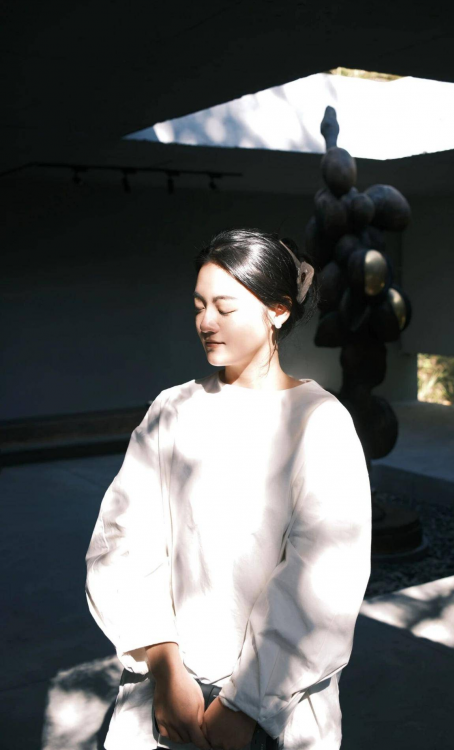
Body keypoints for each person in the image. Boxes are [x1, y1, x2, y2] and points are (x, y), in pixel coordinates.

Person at [85, 228, 372, 750]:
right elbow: (122, 539)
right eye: (199, 306)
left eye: (225, 306)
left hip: (275, 708)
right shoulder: (172, 410)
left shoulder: (319, 422)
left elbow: (325, 578)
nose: (206, 322)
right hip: (168, 696)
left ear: (277, 310)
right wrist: (165, 665)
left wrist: (245, 704)